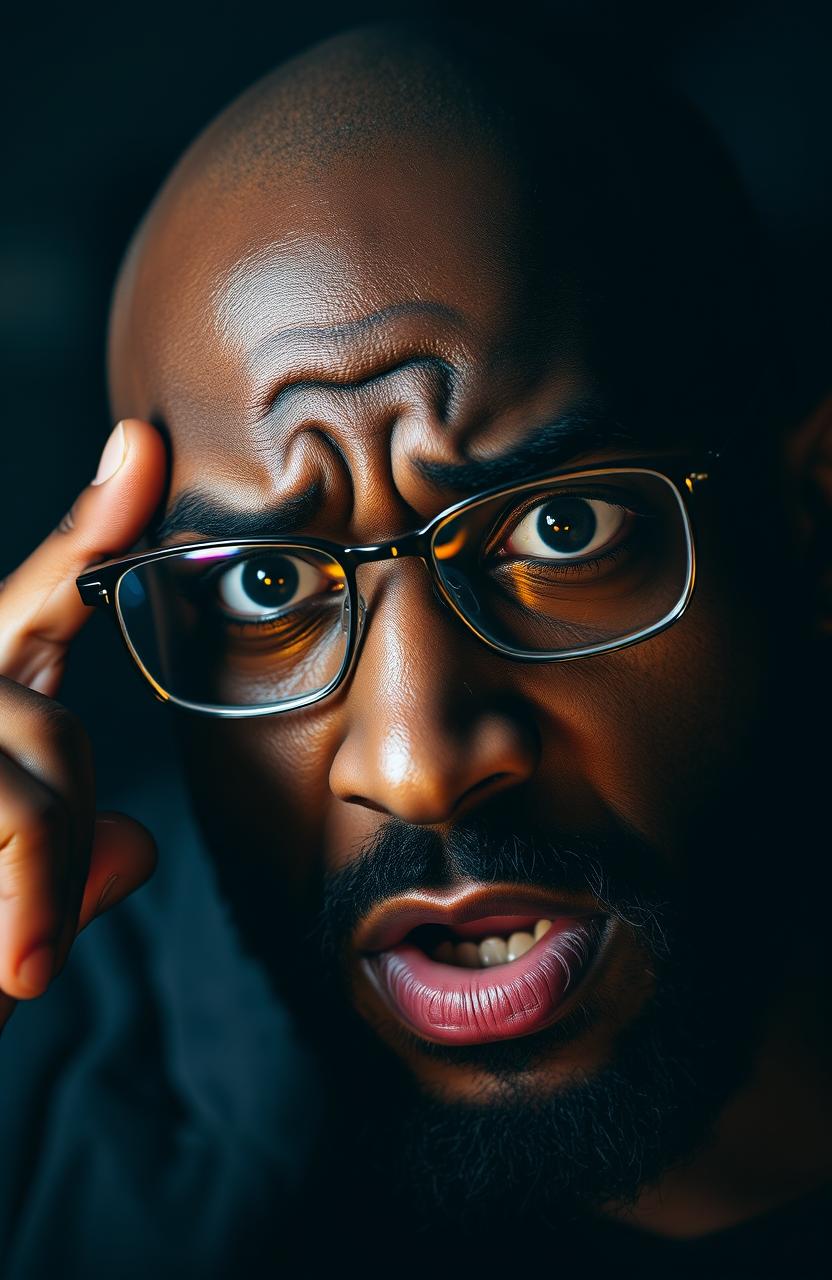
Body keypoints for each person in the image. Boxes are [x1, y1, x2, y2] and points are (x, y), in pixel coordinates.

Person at [1, 16, 830, 1277]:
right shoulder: (42, 1118)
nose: (416, 761)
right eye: (267, 583)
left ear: (807, 521)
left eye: (561, 529)